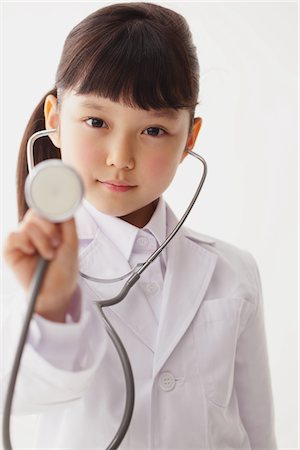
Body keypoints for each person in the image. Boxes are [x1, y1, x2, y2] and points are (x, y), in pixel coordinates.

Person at [2, 2, 277, 449]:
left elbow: (258, 430)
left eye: (153, 131)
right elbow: (21, 392)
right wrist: (53, 308)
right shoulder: (21, 266)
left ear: (190, 139)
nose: (120, 157)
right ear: (55, 121)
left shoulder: (234, 270)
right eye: (96, 121)